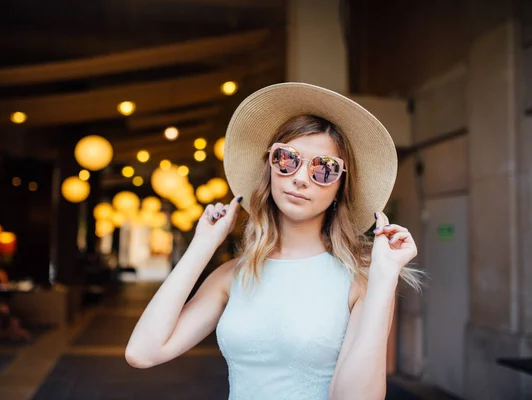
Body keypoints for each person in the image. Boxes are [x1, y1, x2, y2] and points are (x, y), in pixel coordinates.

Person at [125, 83, 422, 399]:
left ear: (339, 187)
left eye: (324, 168)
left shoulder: (362, 280)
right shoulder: (232, 276)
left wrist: (383, 280)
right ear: (270, 165)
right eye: (287, 158)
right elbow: (143, 352)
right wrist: (203, 244)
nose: (300, 177)